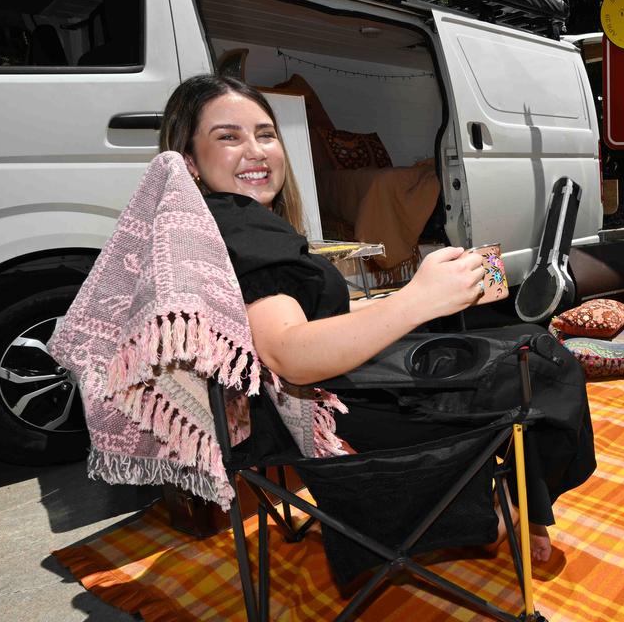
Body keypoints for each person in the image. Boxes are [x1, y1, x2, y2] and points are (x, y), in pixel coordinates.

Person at [159, 74, 595, 564]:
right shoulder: (239, 224)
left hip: (304, 410)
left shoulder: (215, 224)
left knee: (490, 342)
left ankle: (514, 507)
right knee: (544, 362)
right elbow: (290, 353)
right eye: (229, 137)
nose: (256, 151)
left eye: (265, 134)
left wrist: (415, 297)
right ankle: (504, 513)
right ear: (189, 160)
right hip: (350, 414)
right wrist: (418, 302)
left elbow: (309, 318)